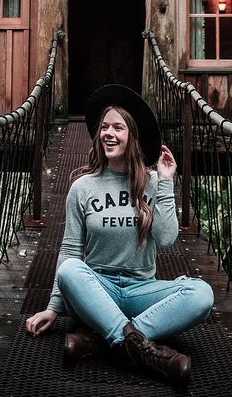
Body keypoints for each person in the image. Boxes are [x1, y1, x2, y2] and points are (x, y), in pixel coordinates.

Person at [26, 84, 214, 388]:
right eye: (104, 127)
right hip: (97, 290)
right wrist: (53, 307)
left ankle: (104, 341)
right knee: (70, 270)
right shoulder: (83, 187)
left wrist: (165, 183)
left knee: (202, 294)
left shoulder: (152, 183)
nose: (108, 134)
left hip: (142, 290)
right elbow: (70, 250)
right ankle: (147, 350)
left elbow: (166, 239)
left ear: (133, 136)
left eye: (118, 127)